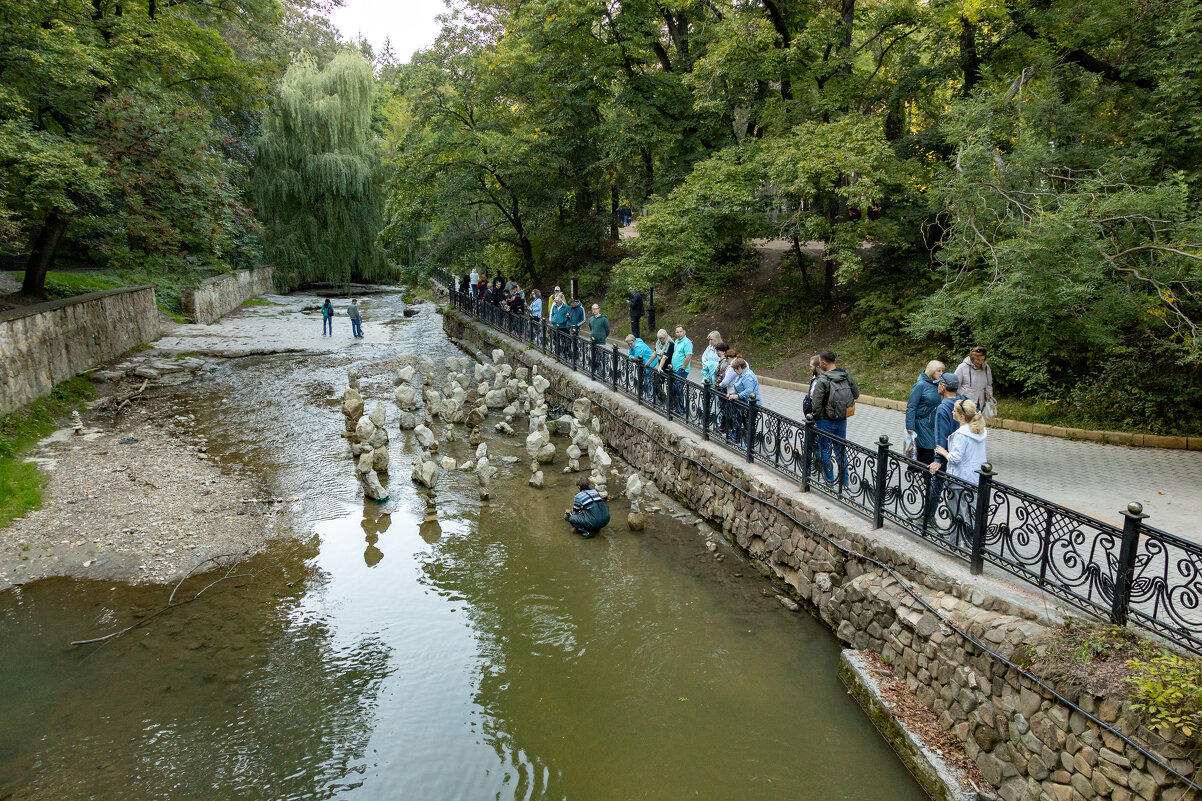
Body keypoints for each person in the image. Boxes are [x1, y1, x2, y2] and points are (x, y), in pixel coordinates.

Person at [932, 399, 988, 546]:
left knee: (957, 513)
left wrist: (943, 452)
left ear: (962, 416)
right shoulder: (979, 430)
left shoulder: (962, 435)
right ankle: (971, 544)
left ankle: (955, 544)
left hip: (959, 479)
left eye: (955, 411)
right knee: (970, 512)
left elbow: (955, 458)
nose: (952, 412)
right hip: (975, 478)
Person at [809, 351, 859, 484]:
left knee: (825, 450)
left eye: (820, 361)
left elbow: (816, 404)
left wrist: (817, 417)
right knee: (840, 450)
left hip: (825, 420)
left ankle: (830, 481)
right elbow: (856, 394)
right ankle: (845, 483)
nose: (819, 364)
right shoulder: (845, 375)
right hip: (842, 419)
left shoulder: (823, 379)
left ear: (824, 362)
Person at [905, 360, 945, 464]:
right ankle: (924, 474)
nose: (941, 373)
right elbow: (911, 406)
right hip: (922, 422)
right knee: (927, 450)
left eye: (942, 371)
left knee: (928, 450)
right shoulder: (920, 385)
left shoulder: (939, 384)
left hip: (933, 423)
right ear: (932, 371)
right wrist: (910, 426)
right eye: (938, 371)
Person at [725, 358, 760, 442]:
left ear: (740, 367)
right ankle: (739, 438)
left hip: (750, 404)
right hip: (744, 404)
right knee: (741, 421)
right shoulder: (742, 374)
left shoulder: (748, 375)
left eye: (735, 369)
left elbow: (749, 391)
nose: (735, 371)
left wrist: (737, 396)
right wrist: (732, 393)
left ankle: (748, 445)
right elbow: (740, 387)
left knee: (748, 424)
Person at [955, 346, 994, 414]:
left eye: (983, 359)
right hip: (965, 403)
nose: (980, 362)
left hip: (981, 403)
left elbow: (989, 384)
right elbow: (955, 385)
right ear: (972, 358)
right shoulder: (962, 367)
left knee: (977, 423)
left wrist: (989, 393)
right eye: (978, 359)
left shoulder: (986, 368)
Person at [670, 325, 693, 413]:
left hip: (682, 370)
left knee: (678, 388)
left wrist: (682, 368)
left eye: (680, 331)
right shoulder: (676, 341)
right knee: (675, 388)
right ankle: (678, 407)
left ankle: (681, 408)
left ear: (684, 332)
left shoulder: (687, 343)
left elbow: (688, 357)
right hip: (675, 369)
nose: (679, 334)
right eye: (677, 332)